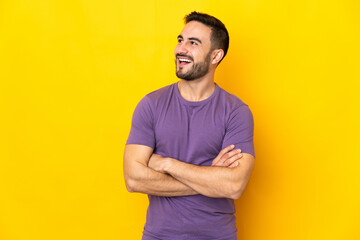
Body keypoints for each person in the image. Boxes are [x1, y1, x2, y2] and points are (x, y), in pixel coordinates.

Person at [124, 11, 255, 240]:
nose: (181, 49)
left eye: (193, 43)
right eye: (180, 40)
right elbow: (133, 179)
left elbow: (233, 186)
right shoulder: (151, 105)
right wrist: (210, 177)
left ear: (215, 56)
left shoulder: (236, 112)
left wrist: (166, 163)